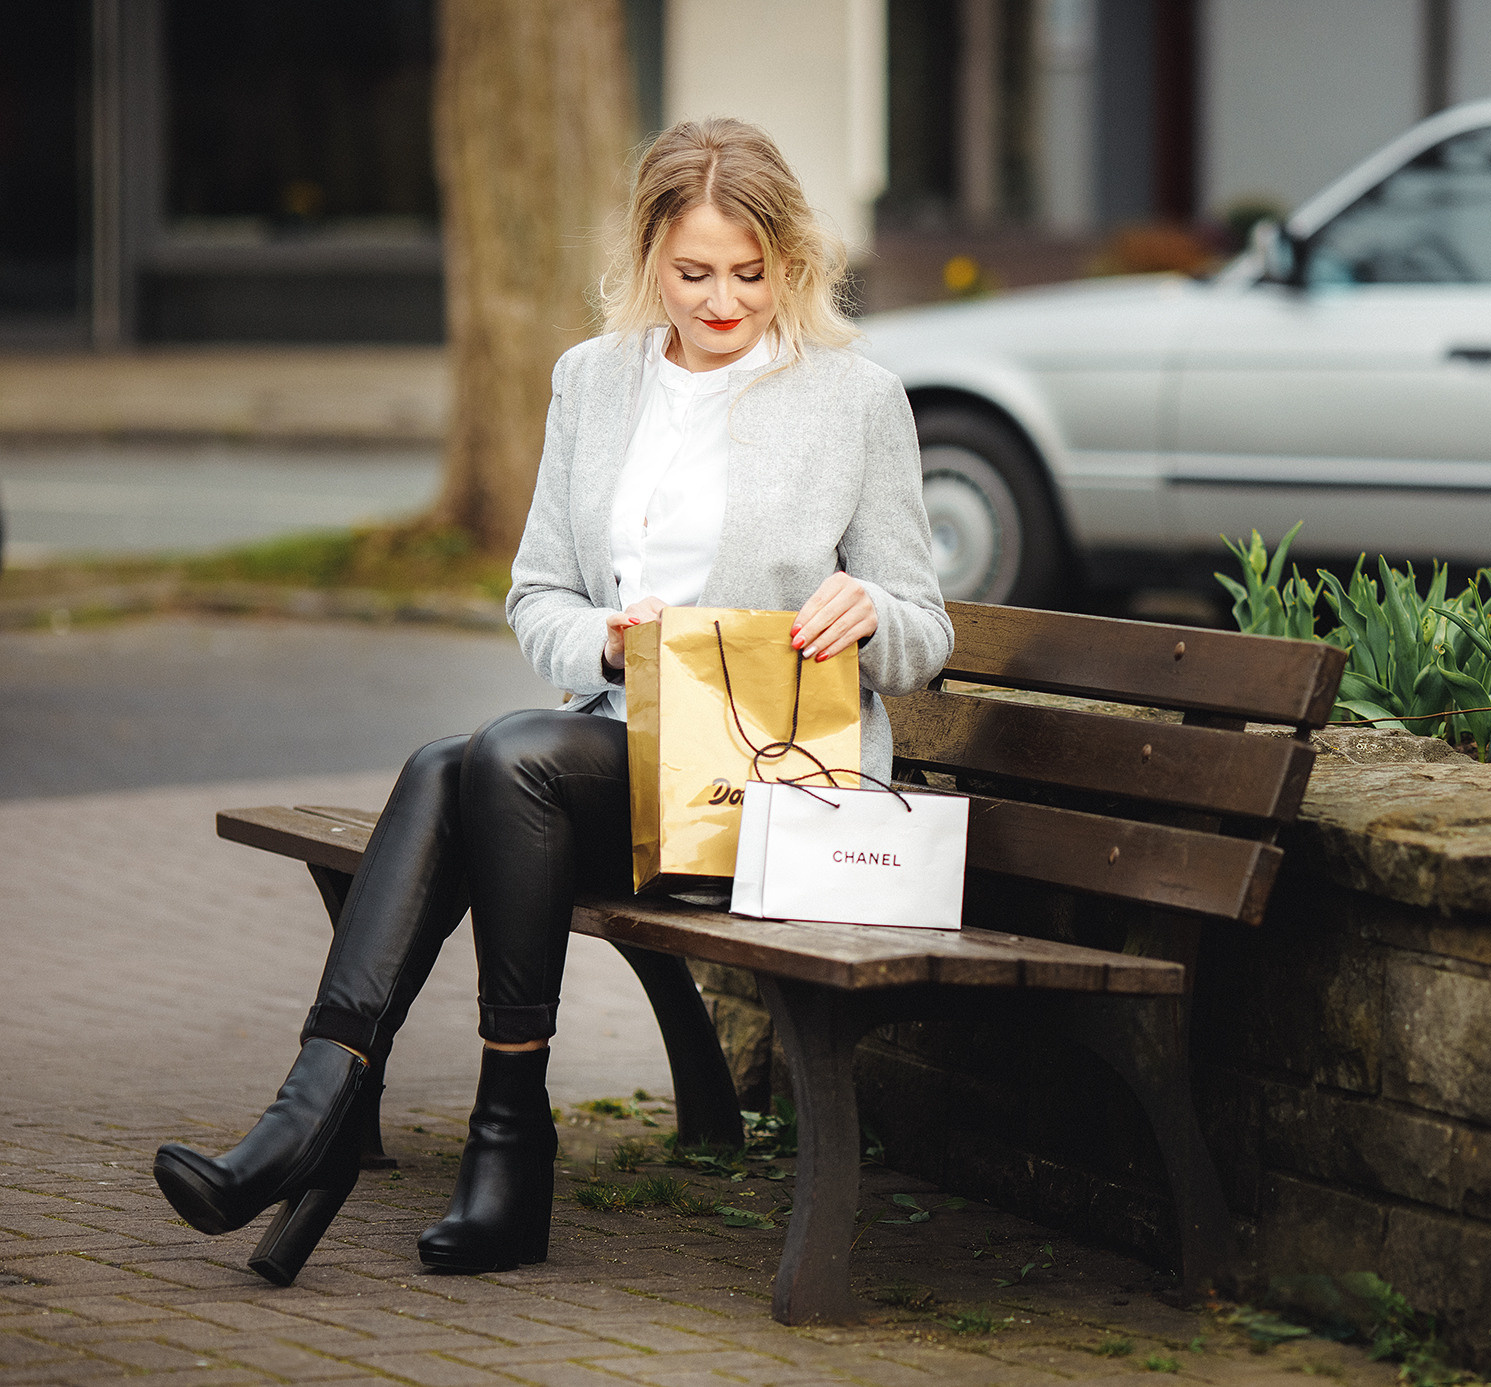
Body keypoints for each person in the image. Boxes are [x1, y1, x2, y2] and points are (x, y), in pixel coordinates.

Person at [152, 118, 953, 1284]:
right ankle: (324, 1114)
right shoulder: (593, 381)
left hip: (776, 791)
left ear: (791, 259)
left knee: (503, 756)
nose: (722, 300)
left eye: (748, 272)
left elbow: (928, 630)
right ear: (647, 259)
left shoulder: (853, 397)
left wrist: (872, 612)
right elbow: (539, 598)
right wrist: (611, 644)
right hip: (617, 755)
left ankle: (450, 1140)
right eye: (691, 273)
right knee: (449, 762)